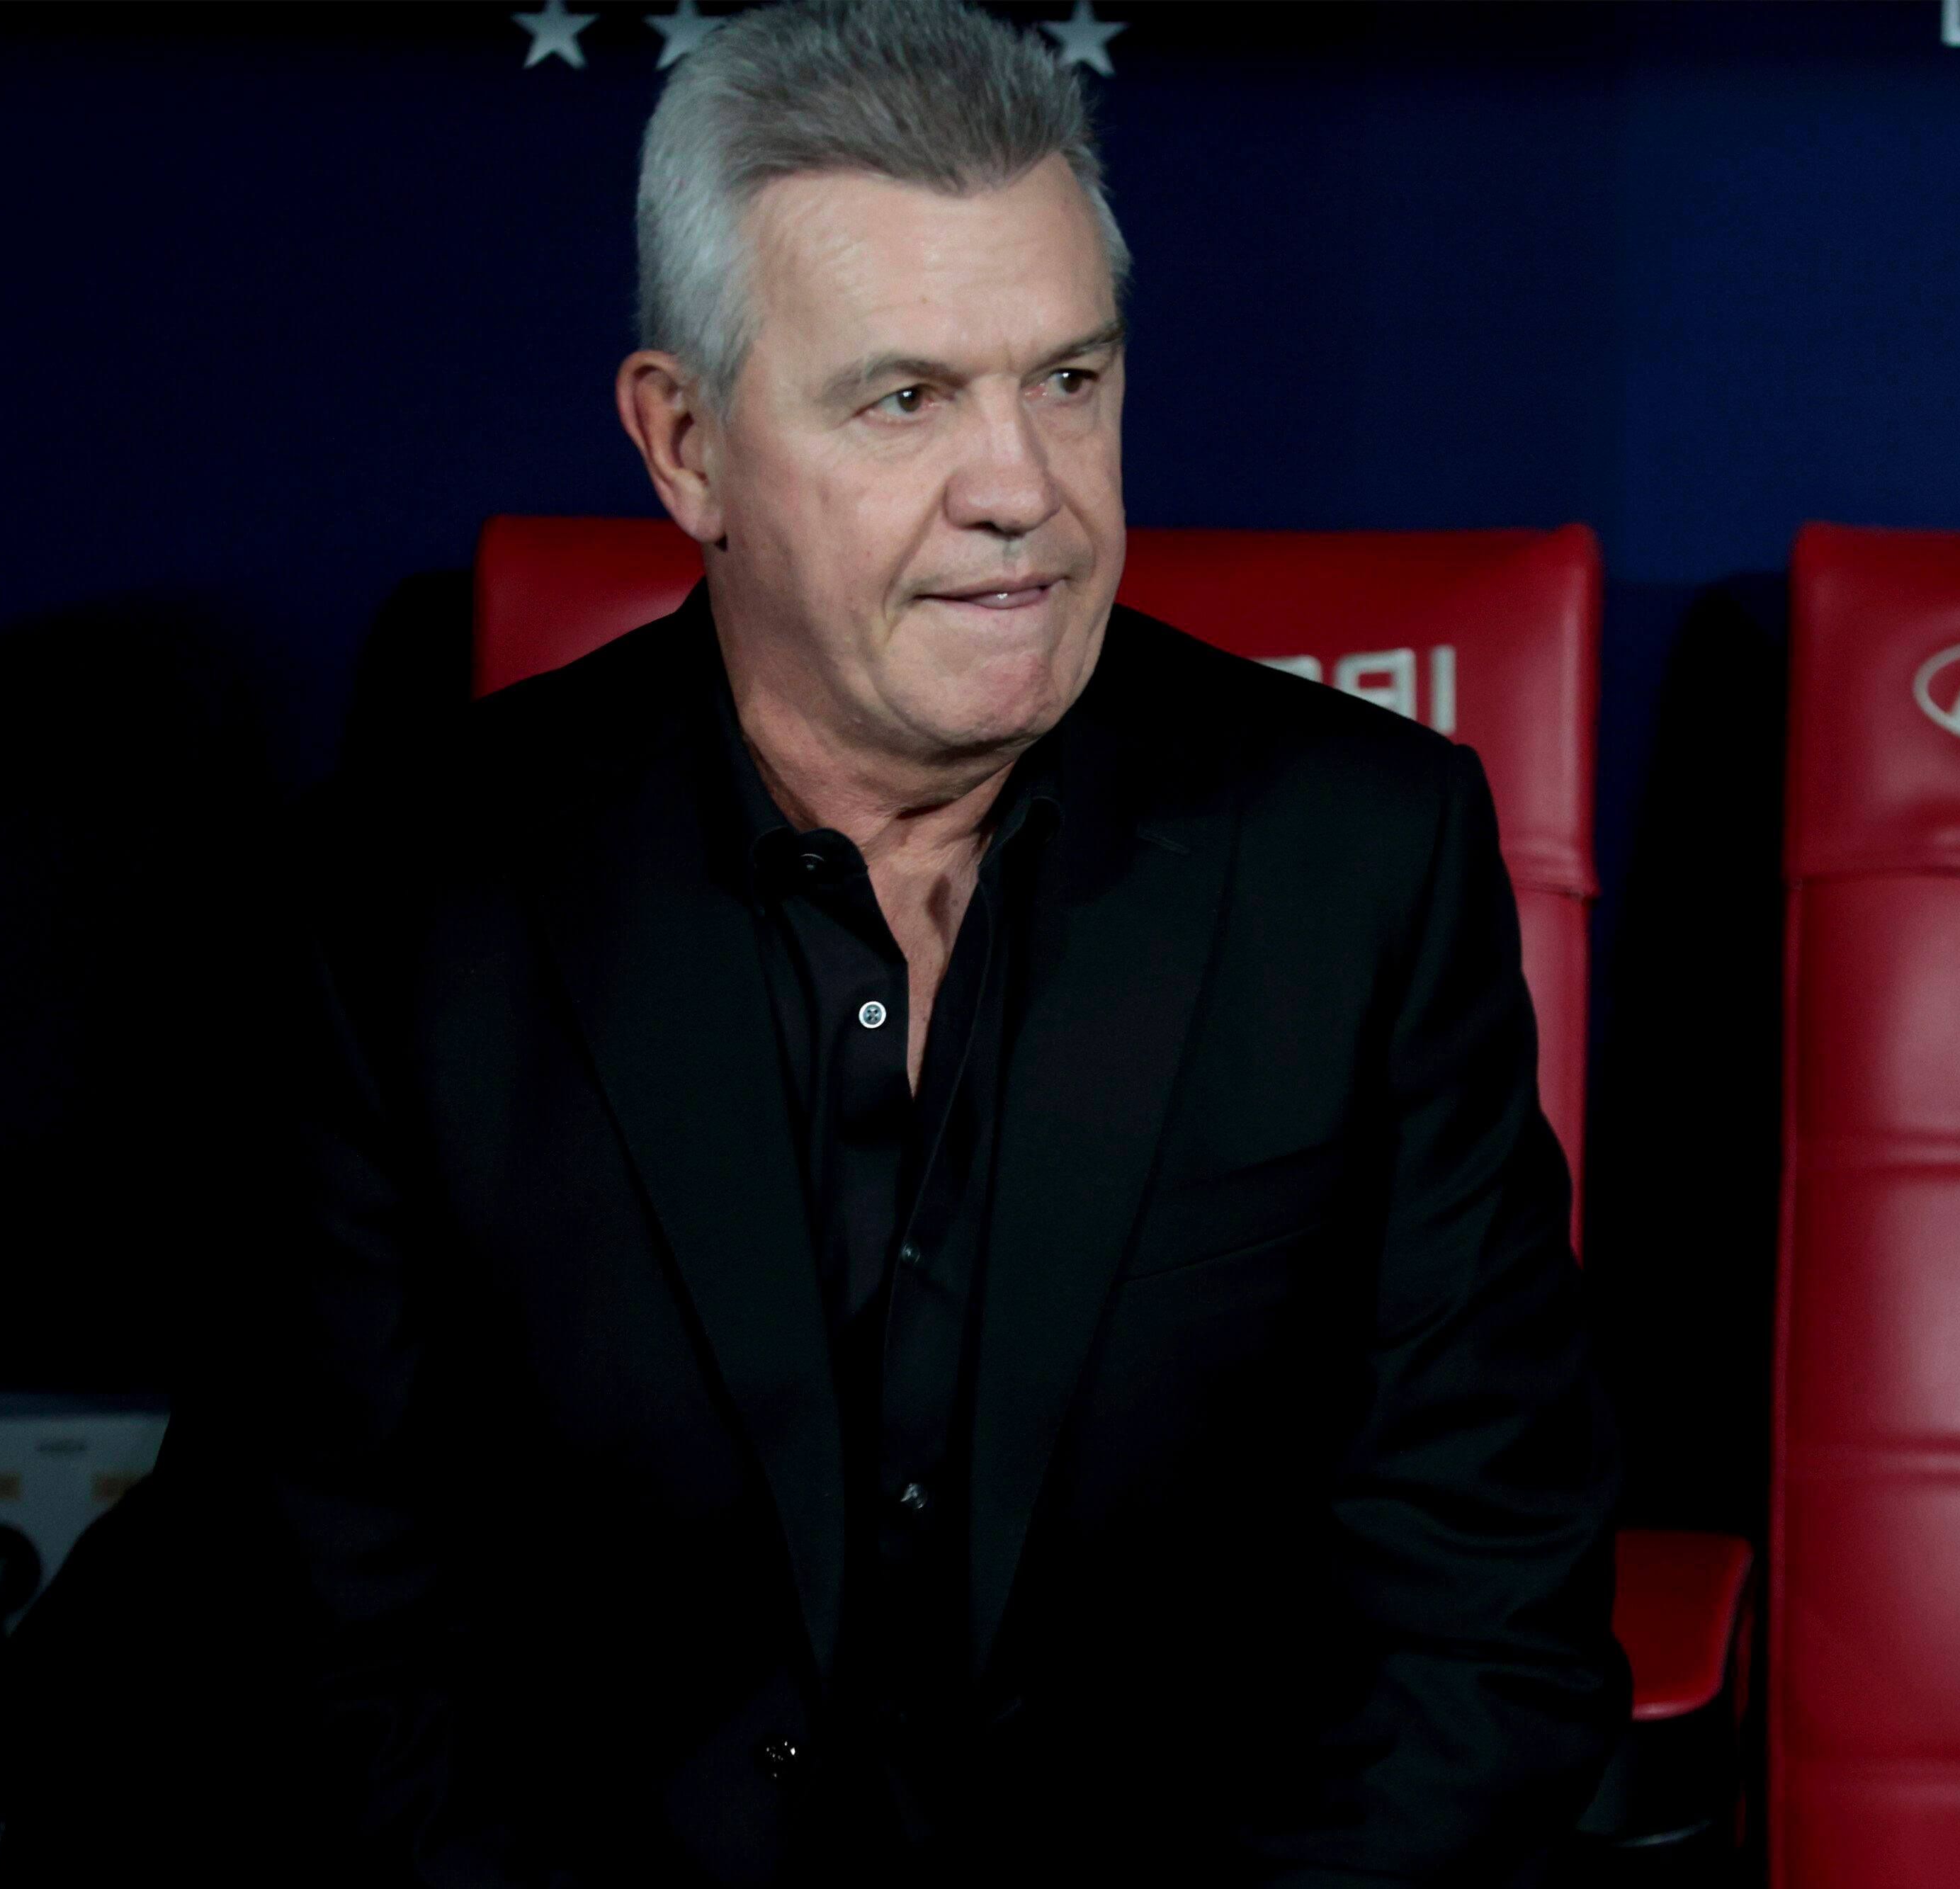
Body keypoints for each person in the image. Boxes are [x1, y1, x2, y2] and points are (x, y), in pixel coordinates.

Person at [241, 0, 1626, 1881]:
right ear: (685, 443)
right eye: (906, 398)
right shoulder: (400, 902)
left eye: (1068, 378)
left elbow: (1486, 1621)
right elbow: (329, 1643)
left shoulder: (1364, 859)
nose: (1021, 488)